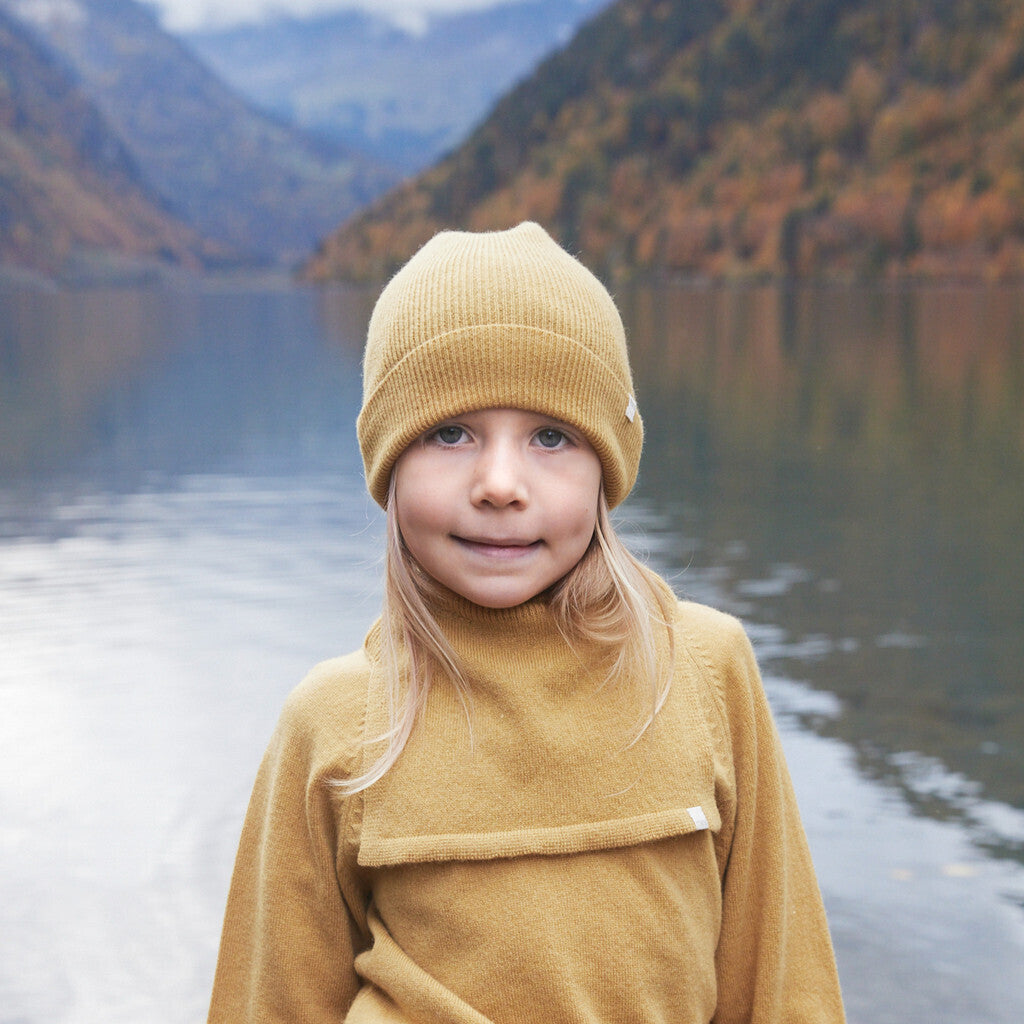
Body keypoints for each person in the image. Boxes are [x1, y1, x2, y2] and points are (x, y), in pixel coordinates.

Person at [207, 222, 846, 1023]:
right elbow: (268, 1005)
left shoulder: (706, 672)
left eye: (551, 436)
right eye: (450, 433)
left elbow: (784, 989)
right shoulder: (335, 723)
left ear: (607, 467)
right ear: (388, 461)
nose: (500, 483)